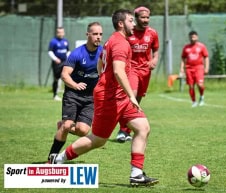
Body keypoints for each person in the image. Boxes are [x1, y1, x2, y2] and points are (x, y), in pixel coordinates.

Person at [49, 9, 159, 187]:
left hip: (120, 96)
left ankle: (136, 174)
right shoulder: (120, 43)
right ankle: (59, 159)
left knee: (143, 127)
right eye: (131, 20)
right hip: (111, 99)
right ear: (121, 23)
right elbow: (117, 71)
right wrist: (131, 94)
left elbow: (101, 61)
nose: (134, 24)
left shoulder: (112, 41)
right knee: (98, 140)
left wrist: (102, 77)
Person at [46, 22, 103, 163]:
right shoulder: (77, 53)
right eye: (95, 34)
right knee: (67, 125)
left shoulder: (104, 53)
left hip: (91, 97)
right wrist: (75, 85)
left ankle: (62, 125)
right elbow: (65, 75)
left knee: (83, 131)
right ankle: (51, 158)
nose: (98, 37)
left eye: (100, 34)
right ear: (87, 35)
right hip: (73, 95)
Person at [116, 6, 159, 143]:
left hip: (145, 71)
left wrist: (154, 60)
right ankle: (122, 130)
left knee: (137, 100)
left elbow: (156, 50)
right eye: (142, 17)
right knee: (131, 96)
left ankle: (125, 131)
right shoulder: (129, 32)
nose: (146, 20)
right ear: (136, 18)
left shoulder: (152, 33)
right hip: (132, 69)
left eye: (147, 17)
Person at [180, 30, 209, 107]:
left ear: (197, 37)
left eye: (194, 36)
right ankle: (194, 101)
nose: (193, 38)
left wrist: (206, 67)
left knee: (200, 84)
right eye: (191, 36)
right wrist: (182, 68)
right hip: (189, 68)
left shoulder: (201, 46)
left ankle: (202, 97)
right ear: (189, 37)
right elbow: (183, 58)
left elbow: (206, 57)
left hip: (199, 67)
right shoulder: (186, 48)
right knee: (191, 86)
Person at [48, 27, 71, 101]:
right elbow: (50, 52)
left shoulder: (65, 41)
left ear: (64, 33)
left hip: (65, 62)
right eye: (59, 32)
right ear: (56, 33)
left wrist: (68, 58)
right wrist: (55, 59)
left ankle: (68, 94)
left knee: (67, 77)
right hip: (57, 63)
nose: (60, 33)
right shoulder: (53, 41)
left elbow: (68, 51)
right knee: (56, 79)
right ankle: (55, 95)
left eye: (62, 32)